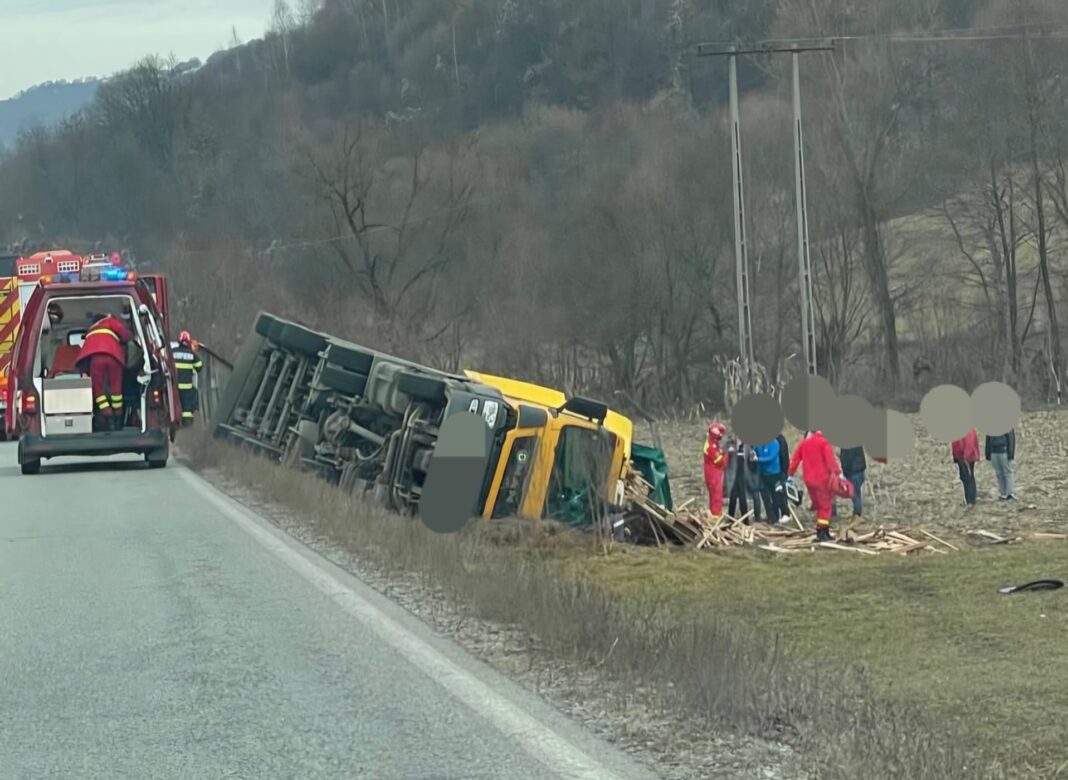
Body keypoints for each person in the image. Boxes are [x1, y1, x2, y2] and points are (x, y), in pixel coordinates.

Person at [75, 309, 134, 431]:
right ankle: (118, 418)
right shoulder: (110, 321)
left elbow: (85, 356)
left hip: (96, 359)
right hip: (114, 356)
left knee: (98, 390)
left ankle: (108, 417)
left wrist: (84, 372)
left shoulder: (90, 331)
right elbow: (125, 335)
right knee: (116, 388)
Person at [788, 430, 842, 542]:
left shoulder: (803, 444)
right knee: (825, 507)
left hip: (809, 481)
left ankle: (822, 530)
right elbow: (830, 461)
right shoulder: (824, 443)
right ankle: (822, 532)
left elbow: (795, 460)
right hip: (822, 479)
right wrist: (838, 473)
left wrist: (790, 475)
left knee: (818, 506)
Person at [171, 330, 203, 426]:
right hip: (187, 388)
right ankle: (187, 428)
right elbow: (199, 367)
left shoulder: (172, 352)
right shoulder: (192, 355)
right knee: (187, 409)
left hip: (174, 387)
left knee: (173, 407)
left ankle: (175, 425)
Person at [753, 437, 788, 524]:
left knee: (775, 496)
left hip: (774, 474)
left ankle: (776, 516)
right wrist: (753, 452)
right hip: (763, 474)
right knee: (765, 497)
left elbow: (771, 458)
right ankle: (770, 516)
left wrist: (758, 459)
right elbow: (754, 449)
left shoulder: (775, 443)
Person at [703, 422, 729, 519]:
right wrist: (726, 456)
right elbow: (719, 461)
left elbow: (719, 453)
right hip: (713, 475)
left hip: (714, 473)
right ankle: (715, 517)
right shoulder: (711, 446)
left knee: (715, 496)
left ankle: (715, 514)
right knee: (716, 497)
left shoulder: (713, 443)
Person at [985, 427, 1016, 500]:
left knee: (999, 473)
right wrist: (1011, 454)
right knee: (1007, 473)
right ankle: (1009, 493)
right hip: (1003, 450)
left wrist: (988, 454)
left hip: (993, 452)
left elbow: (988, 440)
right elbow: (1010, 439)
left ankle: (1003, 493)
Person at [951, 428, 980, 506]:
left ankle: (971, 500)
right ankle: (968, 499)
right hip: (961, 456)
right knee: (964, 478)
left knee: (969, 478)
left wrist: (966, 457)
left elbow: (969, 443)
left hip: (966, 457)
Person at [839, 446, 867, 519]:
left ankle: (857, 514)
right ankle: (857, 514)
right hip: (859, 470)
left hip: (853, 472)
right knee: (856, 494)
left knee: (855, 495)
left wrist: (844, 471)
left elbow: (847, 460)